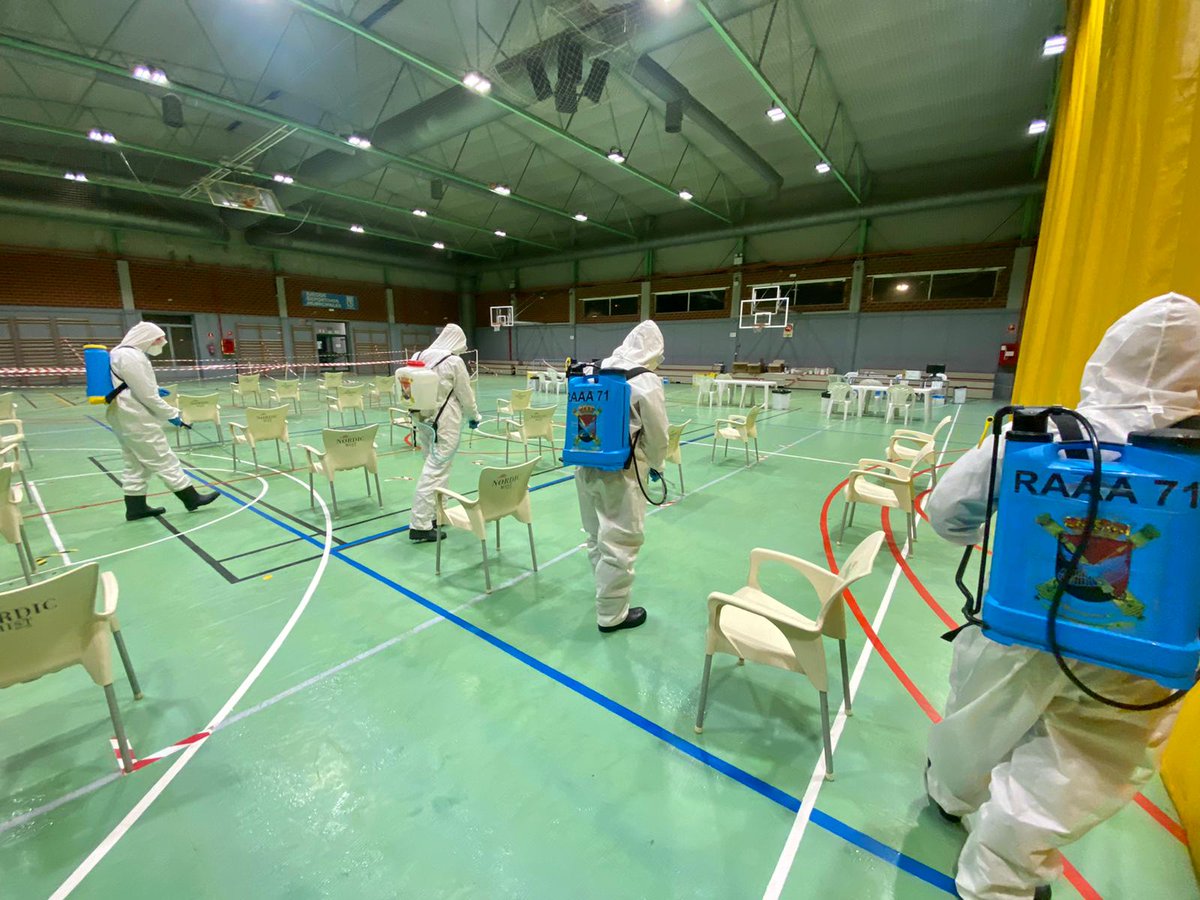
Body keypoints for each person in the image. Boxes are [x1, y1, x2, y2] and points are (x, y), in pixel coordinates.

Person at [924, 293, 1200, 900]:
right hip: (1141, 654)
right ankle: (998, 881)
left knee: (977, 720)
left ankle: (949, 796)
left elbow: (945, 510)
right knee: (1078, 770)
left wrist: (986, 536)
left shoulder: (1038, 438)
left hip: (1022, 624)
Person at [575, 320, 670, 633]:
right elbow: (657, 432)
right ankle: (612, 614)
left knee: (595, 534)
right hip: (622, 472)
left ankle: (604, 592)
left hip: (585, 462)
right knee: (621, 541)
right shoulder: (645, 379)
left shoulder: (596, 369)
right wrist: (658, 465)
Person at [106, 321, 219, 521]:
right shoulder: (131, 355)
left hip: (122, 413)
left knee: (135, 462)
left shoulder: (120, 353)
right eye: (159, 339)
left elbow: (130, 384)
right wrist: (173, 414)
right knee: (162, 457)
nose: (162, 343)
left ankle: (135, 507)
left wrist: (153, 389)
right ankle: (191, 498)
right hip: (134, 415)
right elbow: (147, 396)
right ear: (146, 337)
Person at [407, 324, 480, 543]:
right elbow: (466, 395)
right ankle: (420, 524)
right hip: (445, 422)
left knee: (435, 467)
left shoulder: (418, 356)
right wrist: (474, 417)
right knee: (435, 471)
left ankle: (437, 514)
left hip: (423, 421)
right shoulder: (453, 362)